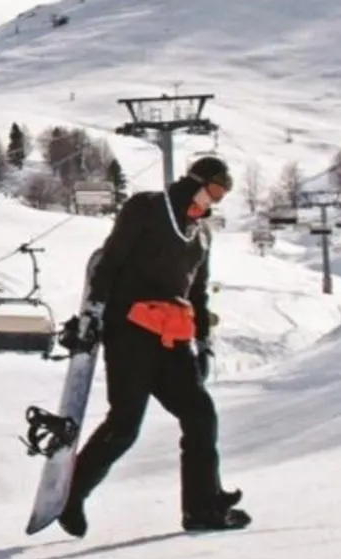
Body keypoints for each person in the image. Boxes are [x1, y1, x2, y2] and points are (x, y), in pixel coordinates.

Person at [60, 155, 250, 537]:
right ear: (196, 182)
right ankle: (70, 496)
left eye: (222, 196)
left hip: (173, 340)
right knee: (126, 424)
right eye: (214, 191)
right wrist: (92, 315)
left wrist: (203, 344)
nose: (215, 201)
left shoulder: (200, 235)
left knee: (201, 416)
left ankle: (203, 506)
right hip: (130, 333)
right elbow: (107, 263)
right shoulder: (146, 208)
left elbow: (197, 295)